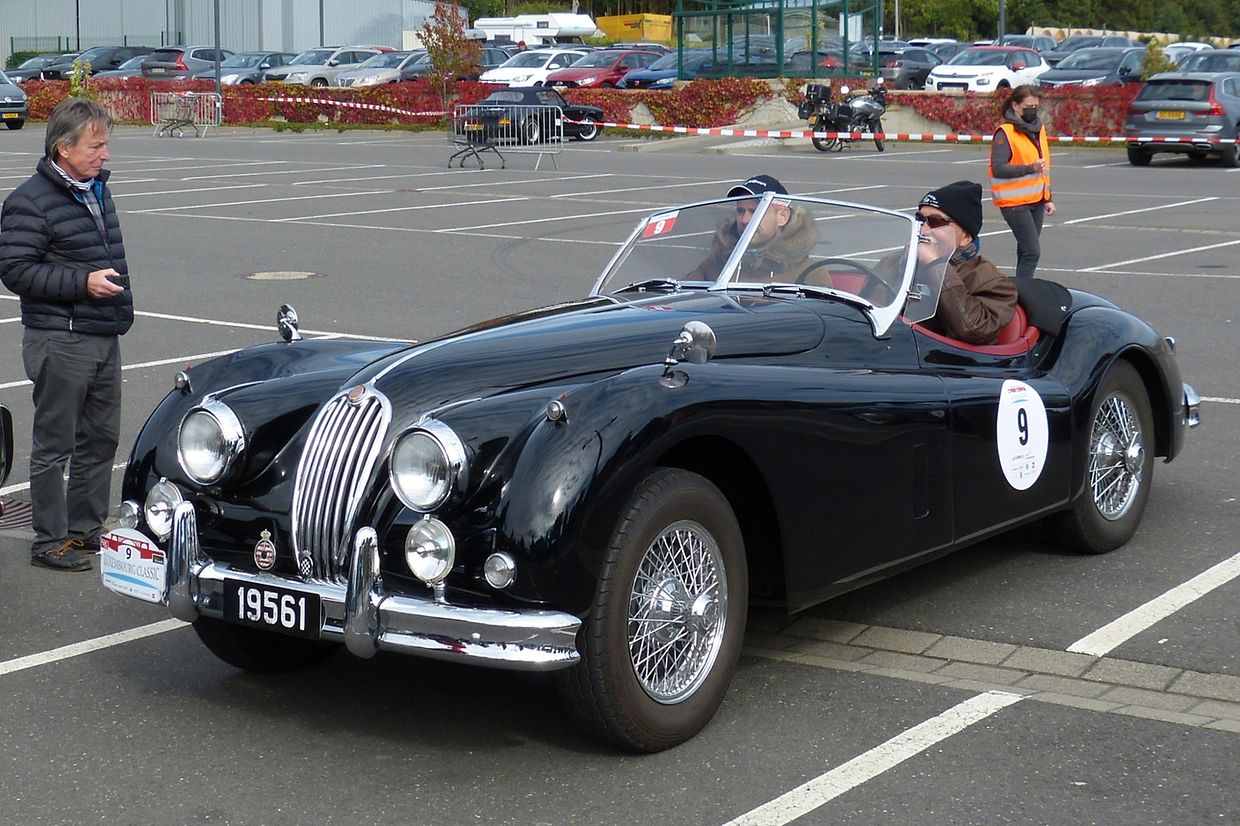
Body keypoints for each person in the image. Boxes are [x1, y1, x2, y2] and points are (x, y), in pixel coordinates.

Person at [0, 98, 132, 572]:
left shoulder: (97, 189)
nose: (104, 154)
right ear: (64, 148)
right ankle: (49, 540)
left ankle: (84, 529)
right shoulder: (29, 201)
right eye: (95, 146)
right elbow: (15, 270)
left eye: (105, 145)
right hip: (60, 338)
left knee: (101, 439)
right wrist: (82, 283)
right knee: (55, 445)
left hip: (102, 331)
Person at [912, 180, 1018, 345]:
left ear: (965, 237)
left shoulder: (995, 283)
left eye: (935, 222)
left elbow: (973, 330)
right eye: (919, 220)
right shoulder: (898, 263)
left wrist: (936, 265)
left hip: (944, 358)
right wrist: (903, 266)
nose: (923, 230)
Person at [687, 174, 820, 284]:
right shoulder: (716, 263)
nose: (745, 220)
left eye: (755, 212)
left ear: (782, 216)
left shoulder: (809, 273)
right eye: (740, 211)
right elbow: (683, 296)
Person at [989, 85, 1055, 280]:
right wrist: (1029, 168)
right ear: (1015, 106)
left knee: (1025, 251)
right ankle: (1023, 291)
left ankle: (1019, 289)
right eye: (1028, 107)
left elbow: (1044, 168)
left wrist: (1048, 198)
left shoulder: (1038, 129)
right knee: (1032, 252)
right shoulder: (1005, 133)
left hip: (1036, 200)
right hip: (1014, 203)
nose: (1032, 110)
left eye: (1035, 106)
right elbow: (998, 168)